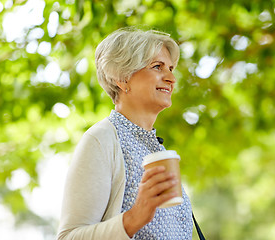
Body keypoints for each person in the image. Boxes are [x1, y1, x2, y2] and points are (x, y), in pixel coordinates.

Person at [57, 27, 193, 240]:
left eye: (171, 68)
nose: (171, 78)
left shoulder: (158, 149)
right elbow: (69, 237)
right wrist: (135, 217)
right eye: (157, 66)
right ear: (122, 78)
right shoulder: (101, 140)